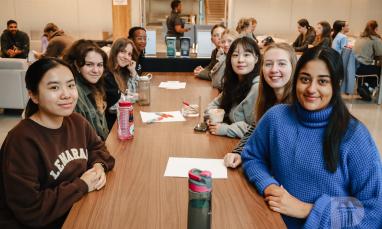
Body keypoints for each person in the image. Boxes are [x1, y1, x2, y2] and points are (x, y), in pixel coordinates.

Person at [242, 46, 382, 228]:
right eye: (305, 79)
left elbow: (373, 211)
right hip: (269, 220)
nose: (311, 89)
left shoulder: (355, 136)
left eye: (322, 81)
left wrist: (306, 209)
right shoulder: (276, 117)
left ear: (337, 84)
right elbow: (252, 156)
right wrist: (268, 185)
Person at [0, 58, 115, 228]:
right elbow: (31, 210)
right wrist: (82, 185)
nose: (66, 94)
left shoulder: (76, 121)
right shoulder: (21, 141)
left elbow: (98, 148)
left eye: (70, 85)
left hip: (77, 209)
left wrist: (98, 166)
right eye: (54, 87)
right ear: (33, 95)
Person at [224, 43, 297, 168]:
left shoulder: (297, 104)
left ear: (293, 67)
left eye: (281, 63)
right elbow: (255, 128)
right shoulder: (267, 99)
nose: (274, 69)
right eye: (268, 64)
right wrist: (238, 152)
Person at [204, 37, 261, 138]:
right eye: (235, 55)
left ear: (256, 58)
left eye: (246, 55)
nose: (240, 60)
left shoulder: (257, 88)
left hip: (243, 148)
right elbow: (213, 105)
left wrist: (227, 129)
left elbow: (258, 130)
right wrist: (211, 118)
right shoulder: (234, 82)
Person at [63, 40, 109, 140]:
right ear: (76, 65)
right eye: (89, 64)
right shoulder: (74, 91)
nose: (96, 70)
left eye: (100, 65)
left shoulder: (94, 86)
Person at [104, 38, 139, 129]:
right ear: (115, 52)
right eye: (123, 52)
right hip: (113, 125)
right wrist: (136, 97)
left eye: (129, 54)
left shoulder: (122, 70)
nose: (126, 57)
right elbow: (113, 107)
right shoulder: (107, 74)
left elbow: (136, 89)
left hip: (124, 119)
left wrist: (133, 72)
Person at [353, 20, 382, 94]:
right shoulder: (375, 39)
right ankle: (369, 87)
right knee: (379, 69)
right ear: (376, 29)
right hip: (362, 68)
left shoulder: (360, 37)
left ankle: (365, 85)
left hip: (354, 67)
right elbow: (380, 54)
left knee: (372, 67)